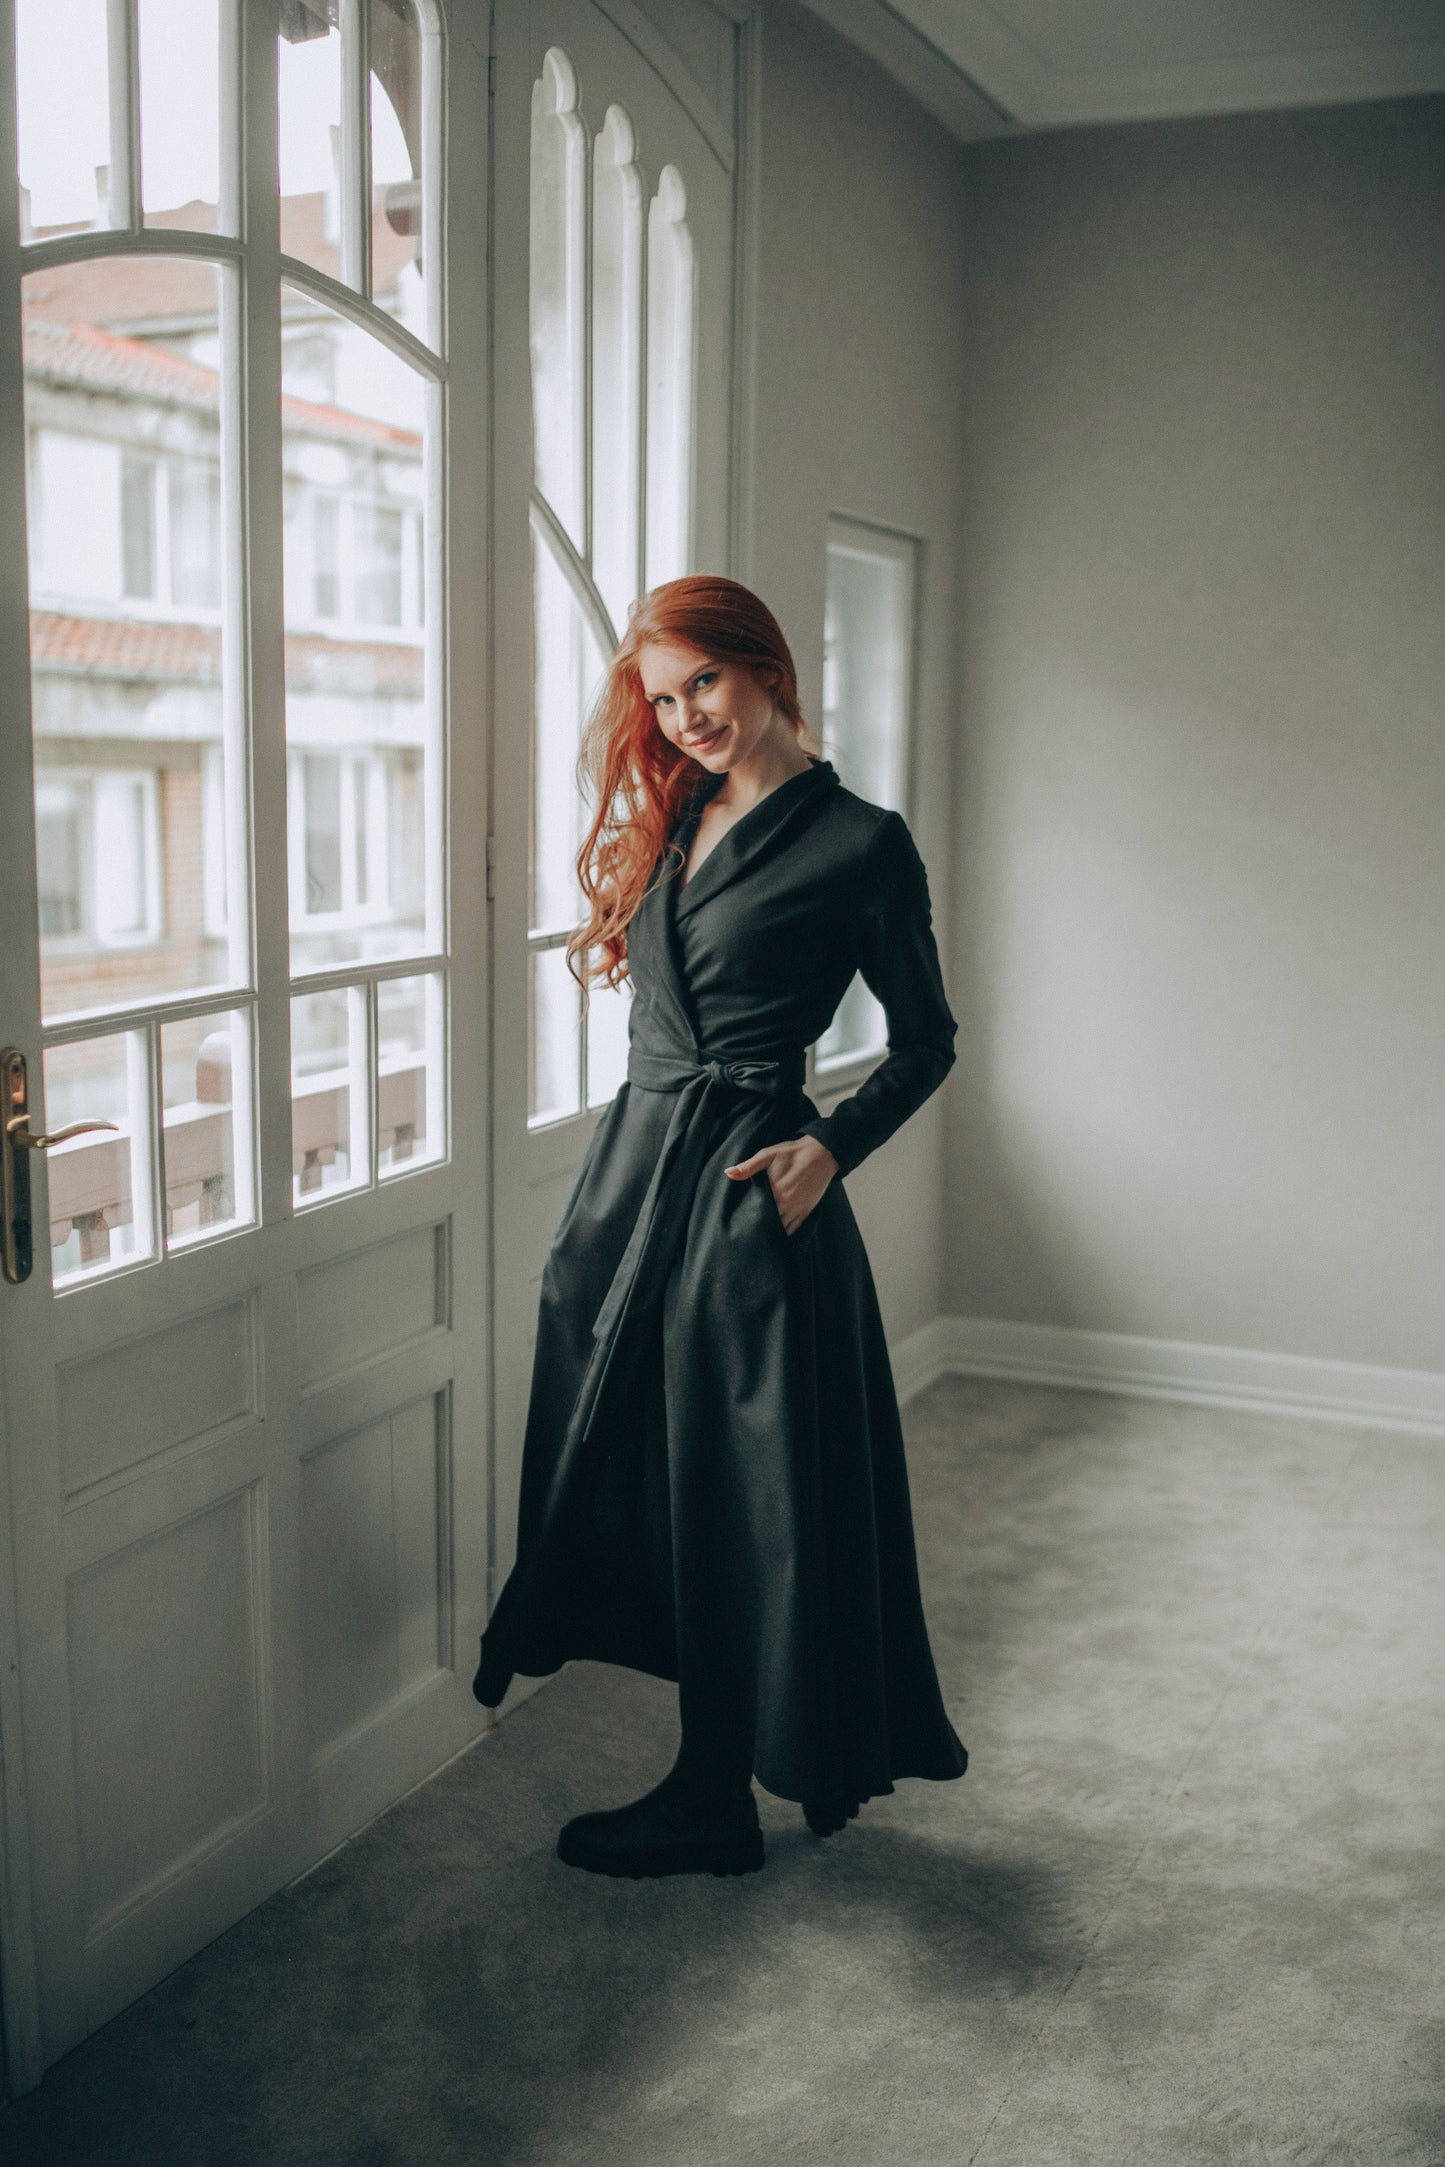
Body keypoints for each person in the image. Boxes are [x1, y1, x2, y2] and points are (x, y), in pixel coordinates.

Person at [473, 574, 968, 1878]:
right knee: (641, 1475)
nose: (684, 714)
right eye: (661, 693)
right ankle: (704, 1777)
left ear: (765, 669)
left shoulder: (861, 842)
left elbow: (925, 1042)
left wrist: (829, 1149)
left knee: (737, 1496)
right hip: (627, 1184)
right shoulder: (677, 808)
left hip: (748, 1196)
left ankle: (713, 1791)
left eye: (703, 680)